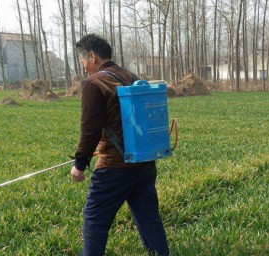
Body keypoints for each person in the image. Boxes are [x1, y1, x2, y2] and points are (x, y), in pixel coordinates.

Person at [70, 34, 170, 256]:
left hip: (114, 167)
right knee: (148, 218)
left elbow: (90, 130)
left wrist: (79, 163)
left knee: (94, 219)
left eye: (83, 61)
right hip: (144, 163)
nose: (84, 67)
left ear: (93, 57)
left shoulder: (93, 83)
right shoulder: (130, 76)